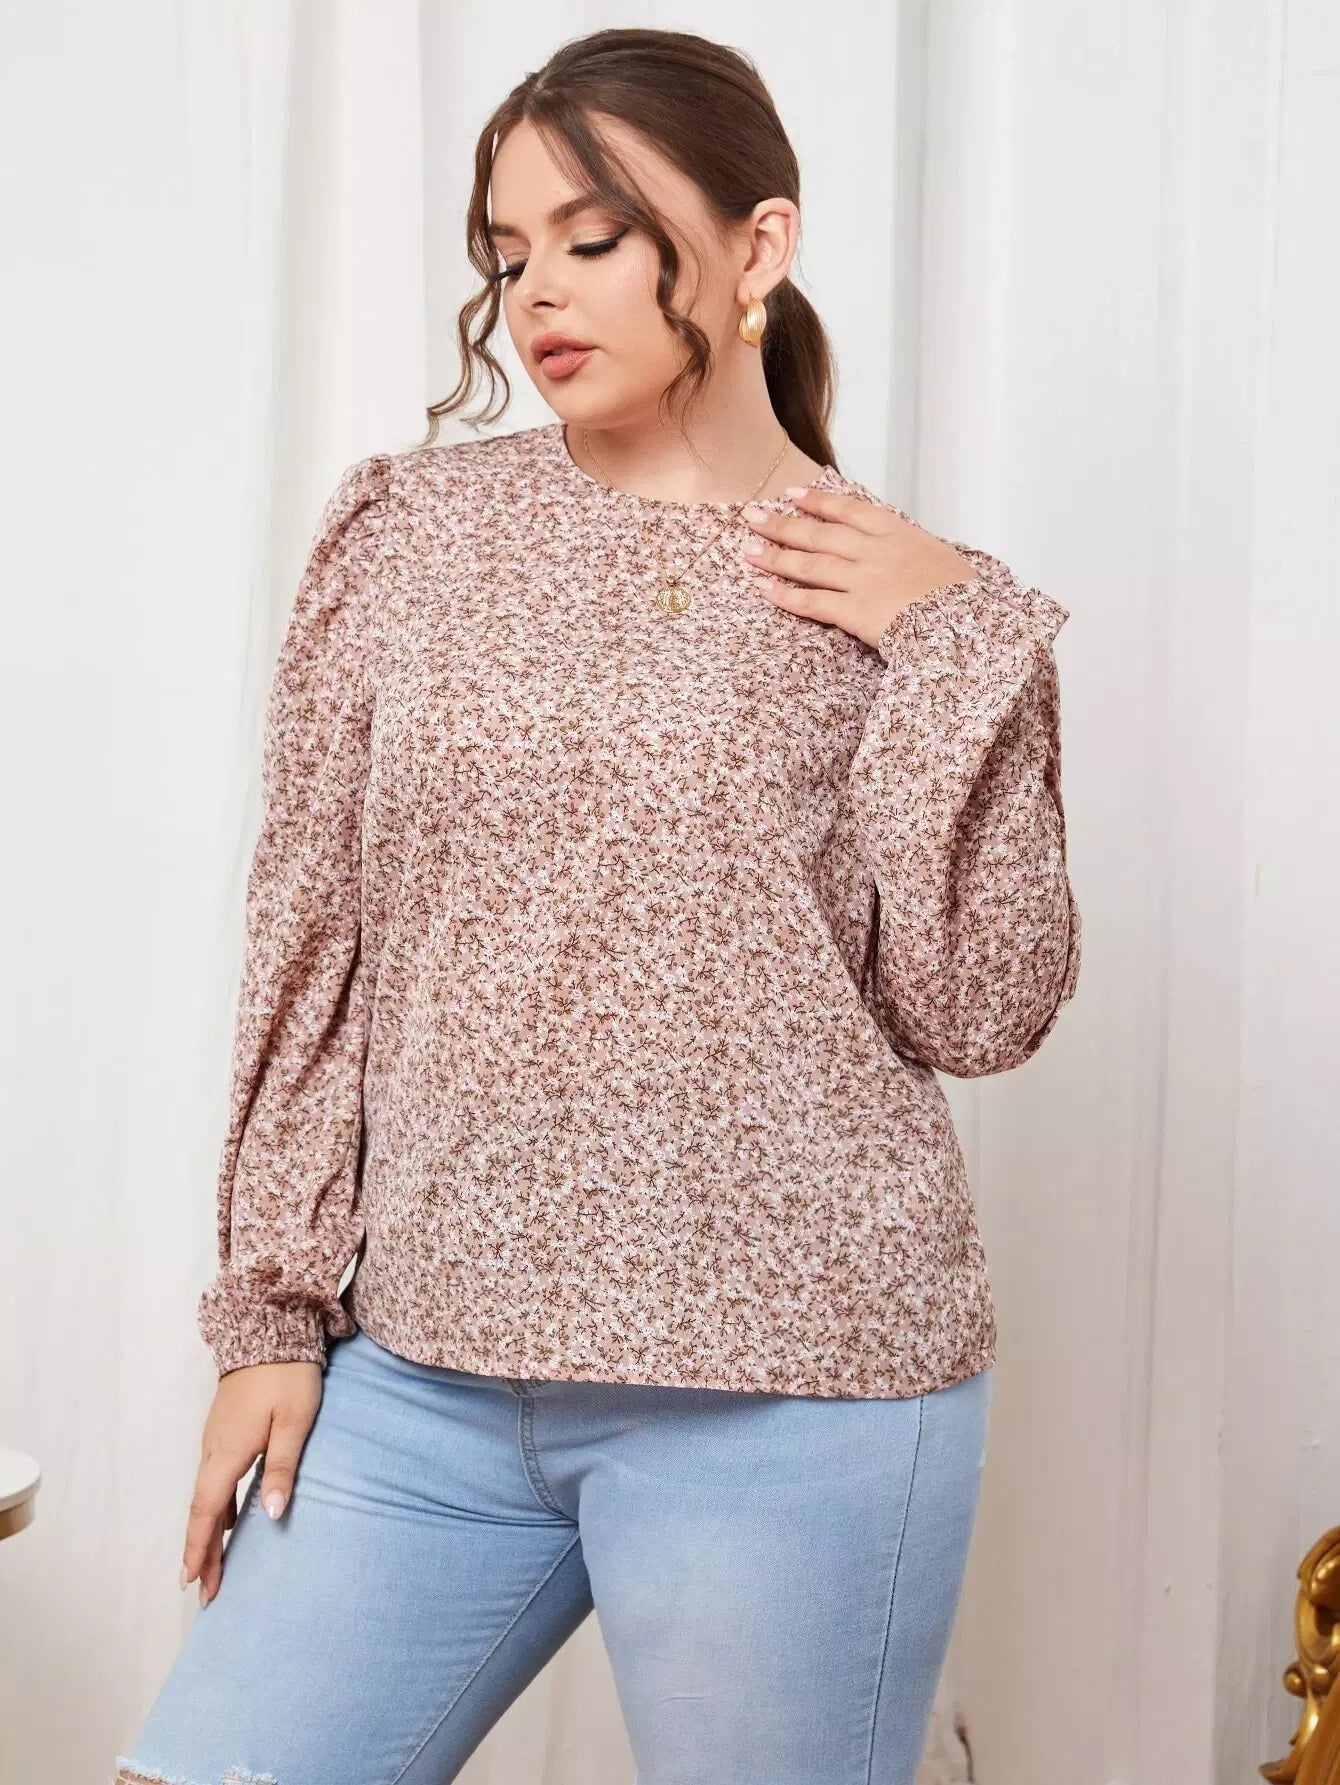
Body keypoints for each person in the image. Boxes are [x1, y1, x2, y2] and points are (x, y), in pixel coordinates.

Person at [115, 24, 1081, 1785]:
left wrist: (958, 644)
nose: (538, 293)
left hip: (796, 1388)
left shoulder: (898, 588)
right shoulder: (408, 532)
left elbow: (981, 1011)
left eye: (594, 234)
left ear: (758, 246)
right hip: (425, 1371)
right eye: (508, 253)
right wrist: (270, 1314)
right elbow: (312, 940)